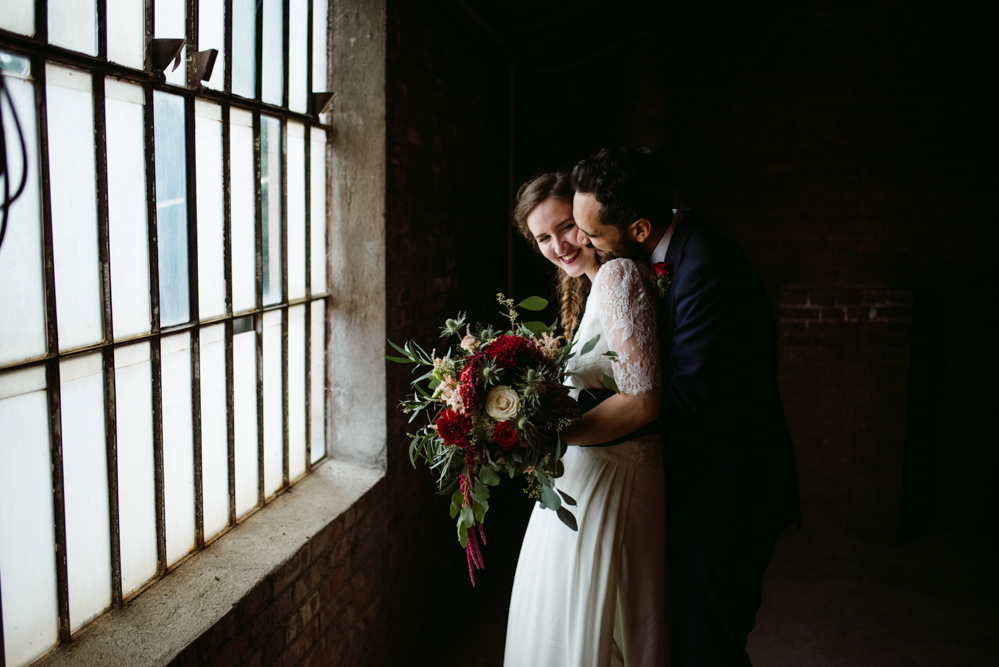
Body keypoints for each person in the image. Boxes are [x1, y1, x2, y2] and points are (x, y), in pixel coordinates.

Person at [571, 147, 801, 666]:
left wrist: (568, 417)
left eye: (593, 233)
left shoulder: (706, 269)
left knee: (708, 649)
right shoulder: (664, 255)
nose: (583, 241)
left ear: (640, 227)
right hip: (690, 489)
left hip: (726, 499)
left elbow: (685, 398)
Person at [503, 171, 668, 667]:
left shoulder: (617, 277)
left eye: (566, 228)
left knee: (598, 620)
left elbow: (644, 402)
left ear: (586, 218)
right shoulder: (596, 286)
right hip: (588, 476)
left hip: (617, 477)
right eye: (544, 238)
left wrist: (551, 436)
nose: (560, 245)